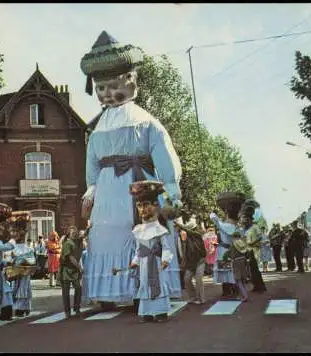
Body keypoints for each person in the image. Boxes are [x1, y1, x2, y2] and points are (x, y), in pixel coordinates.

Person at [80, 31, 183, 310]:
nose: (107, 94)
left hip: (139, 187)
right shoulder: (97, 128)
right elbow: (91, 164)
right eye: (101, 88)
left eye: (113, 86)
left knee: (141, 230)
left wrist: (171, 190)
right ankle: (111, 291)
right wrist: (91, 192)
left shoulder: (145, 121)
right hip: (108, 191)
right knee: (106, 234)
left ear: (130, 82)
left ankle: (143, 287)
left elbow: (164, 155)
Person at [129, 181, 174, 323]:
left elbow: (166, 247)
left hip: (156, 262)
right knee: (144, 284)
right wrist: (135, 261)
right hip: (143, 263)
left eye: (146, 205)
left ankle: (160, 312)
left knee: (158, 283)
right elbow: (138, 249)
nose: (143, 209)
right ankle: (147, 312)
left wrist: (166, 259)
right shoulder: (138, 230)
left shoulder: (160, 230)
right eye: (139, 206)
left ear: (155, 205)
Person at [210, 192, 247, 298]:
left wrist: (214, 210)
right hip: (231, 250)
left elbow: (213, 217)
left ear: (227, 213)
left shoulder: (224, 225)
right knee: (231, 270)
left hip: (224, 251)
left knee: (226, 270)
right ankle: (234, 290)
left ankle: (228, 290)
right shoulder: (237, 228)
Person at [7, 211, 35, 317]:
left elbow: (32, 263)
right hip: (14, 274)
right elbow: (8, 260)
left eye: (16, 231)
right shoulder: (10, 246)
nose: (13, 234)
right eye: (12, 231)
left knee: (23, 289)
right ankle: (19, 307)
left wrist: (25, 263)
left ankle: (22, 308)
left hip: (24, 274)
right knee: (15, 289)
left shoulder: (28, 248)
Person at [175, 218, 206, 305]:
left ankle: (201, 299)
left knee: (198, 279)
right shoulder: (182, 239)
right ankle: (193, 297)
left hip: (200, 261)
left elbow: (190, 232)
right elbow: (182, 253)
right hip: (190, 263)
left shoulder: (197, 236)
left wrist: (179, 225)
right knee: (187, 279)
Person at [239, 201, 266, 293]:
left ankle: (261, 286)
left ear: (250, 219)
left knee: (255, 269)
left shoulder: (255, 227)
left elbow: (260, 237)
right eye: (244, 219)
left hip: (254, 250)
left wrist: (252, 243)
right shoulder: (245, 229)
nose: (245, 220)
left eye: (246, 219)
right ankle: (256, 286)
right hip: (248, 250)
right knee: (252, 269)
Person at [59, 226, 84, 318]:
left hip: (74, 270)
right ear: (69, 234)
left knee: (78, 288)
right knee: (66, 292)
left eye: (75, 232)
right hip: (66, 270)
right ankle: (67, 311)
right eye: (72, 233)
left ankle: (76, 308)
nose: (74, 234)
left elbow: (83, 236)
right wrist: (80, 268)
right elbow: (71, 258)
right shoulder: (67, 243)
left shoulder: (75, 241)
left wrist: (88, 228)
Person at [224, 230, 249, 302]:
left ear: (234, 237)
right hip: (243, 261)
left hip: (236, 262)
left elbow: (228, 254)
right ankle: (243, 295)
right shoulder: (243, 243)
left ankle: (245, 296)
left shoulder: (233, 244)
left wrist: (225, 259)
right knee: (243, 279)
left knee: (238, 280)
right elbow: (247, 253)